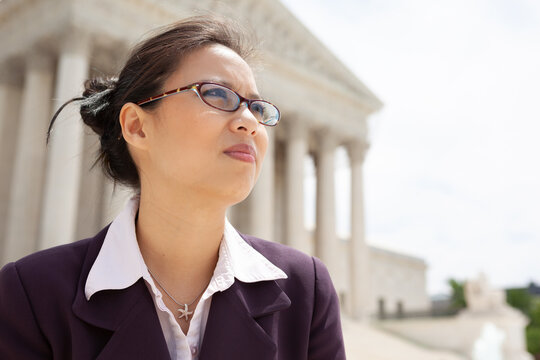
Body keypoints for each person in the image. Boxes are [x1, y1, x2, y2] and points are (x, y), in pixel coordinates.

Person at [0, 15, 346, 360]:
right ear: (136, 127)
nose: (249, 122)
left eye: (256, 107)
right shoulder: (31, 294)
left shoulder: (305, 292)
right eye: (216, 94)